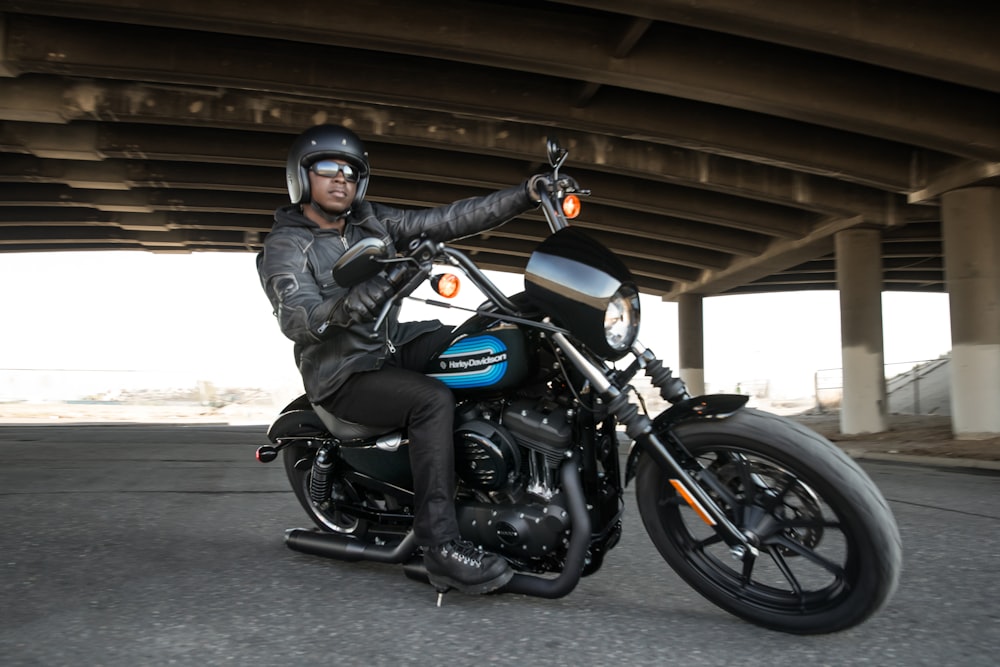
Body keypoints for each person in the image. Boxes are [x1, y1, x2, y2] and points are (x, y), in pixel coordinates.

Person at [257, 124, 544, 595]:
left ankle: (515, 482)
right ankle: (441, 549)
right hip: (343, 372)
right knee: (430, 400)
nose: (340, 178)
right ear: (301, 177)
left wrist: (526, 194)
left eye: (350, 171)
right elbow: (301, 319)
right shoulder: (286, 246)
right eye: (326, 168)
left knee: (492, 337)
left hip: (389, 344)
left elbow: (450, 219)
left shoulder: (372, 223)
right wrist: (383, 286)